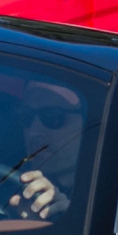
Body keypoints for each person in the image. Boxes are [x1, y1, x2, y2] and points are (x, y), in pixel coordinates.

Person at [9, 82, 85, 220]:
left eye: (53, 117)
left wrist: (67, 220)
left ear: (88, 123)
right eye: (26, 116)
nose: (33, 132)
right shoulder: (2, 184)